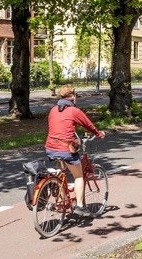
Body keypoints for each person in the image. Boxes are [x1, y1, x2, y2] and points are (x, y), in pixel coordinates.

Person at [45, 85, 105, 217]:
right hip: (65, 149)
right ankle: (80, 206)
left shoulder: (53, 110)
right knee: (78, 176)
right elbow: (88, 125)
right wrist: (99, 133)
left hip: (50, 147)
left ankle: (57, 191)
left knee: (61, 169)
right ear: (72, 96)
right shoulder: (74, 111)